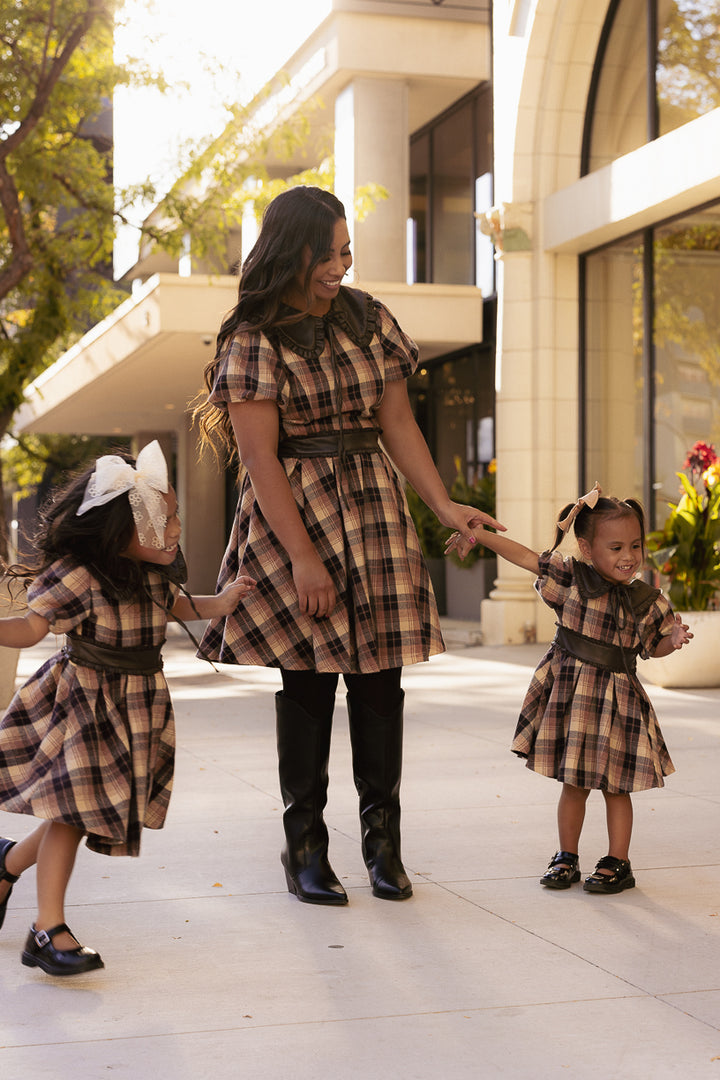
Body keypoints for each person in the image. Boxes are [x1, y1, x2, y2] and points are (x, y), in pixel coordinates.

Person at [194, 185, 503, 906]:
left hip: (373, 507)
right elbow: (261, 458)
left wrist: (445, 506)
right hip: (293, 515)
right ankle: (304, 847)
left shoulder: (369, 319)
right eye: (331, 252)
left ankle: (383, 844)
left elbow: (398, 424)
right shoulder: (251, 336)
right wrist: (303, 557)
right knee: (306, 682)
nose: (343, 264)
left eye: (346, 251)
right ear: (294, 253)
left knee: (380, 682)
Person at [0, 441, 255, 976]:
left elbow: (179, 606)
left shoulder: (155, 577)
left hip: (135, 704)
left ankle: (5, 865)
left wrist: (221, 602)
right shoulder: (79, 574)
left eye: (176, 515)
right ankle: (48, 929)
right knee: (71, 811)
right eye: (164, 518)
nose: (177, 527)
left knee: (82, 809)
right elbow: (30, 629)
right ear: (121, 528)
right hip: (83, 702)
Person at [446, 483, 692, 894]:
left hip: (619, 702)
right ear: (586, 548)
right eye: (615, 547)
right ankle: (567, 856)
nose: (628, 556)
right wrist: (479, 534)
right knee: (573, 784)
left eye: (635, 546)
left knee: (617, 787)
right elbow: (525, 556)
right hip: (575, 698)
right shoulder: (571, 578)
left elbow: (654, 647)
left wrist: (674, 639)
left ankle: (618, 861)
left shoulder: (648, 600)